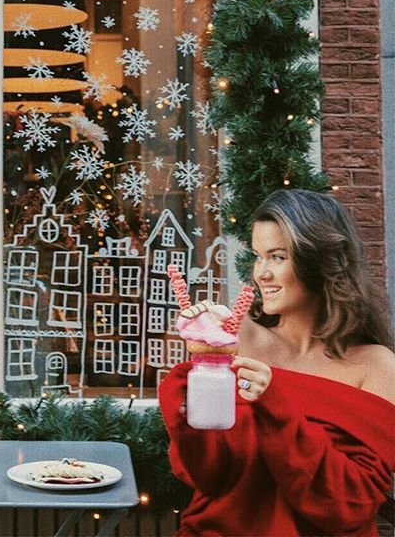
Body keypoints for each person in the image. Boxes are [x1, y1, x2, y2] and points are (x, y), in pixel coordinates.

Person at [159, 189, 395, 537]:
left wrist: (277, 407)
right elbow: (206, 475)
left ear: (321, 260)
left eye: (278, 257)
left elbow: (349, 505)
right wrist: (205, 368)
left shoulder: (376, 366)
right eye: (258, 257)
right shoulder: (236, 341)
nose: (261, 274)